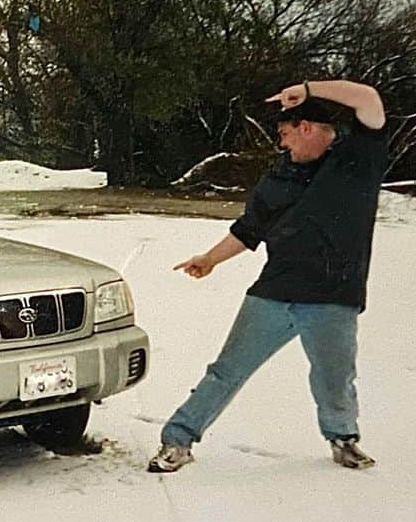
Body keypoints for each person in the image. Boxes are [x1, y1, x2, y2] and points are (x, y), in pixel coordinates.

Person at [149, 80, 387, 473]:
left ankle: (343, 439)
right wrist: (210, 259)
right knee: (226, 371)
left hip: (333, 295)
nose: (282, 144)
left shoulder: (357, 159)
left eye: (285, 134)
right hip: (275, 293)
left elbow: (368, 99)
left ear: (307, 127)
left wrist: (309, 90)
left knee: (335, 379)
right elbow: (248, 229)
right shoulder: (278, 177)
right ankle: (178, 439)